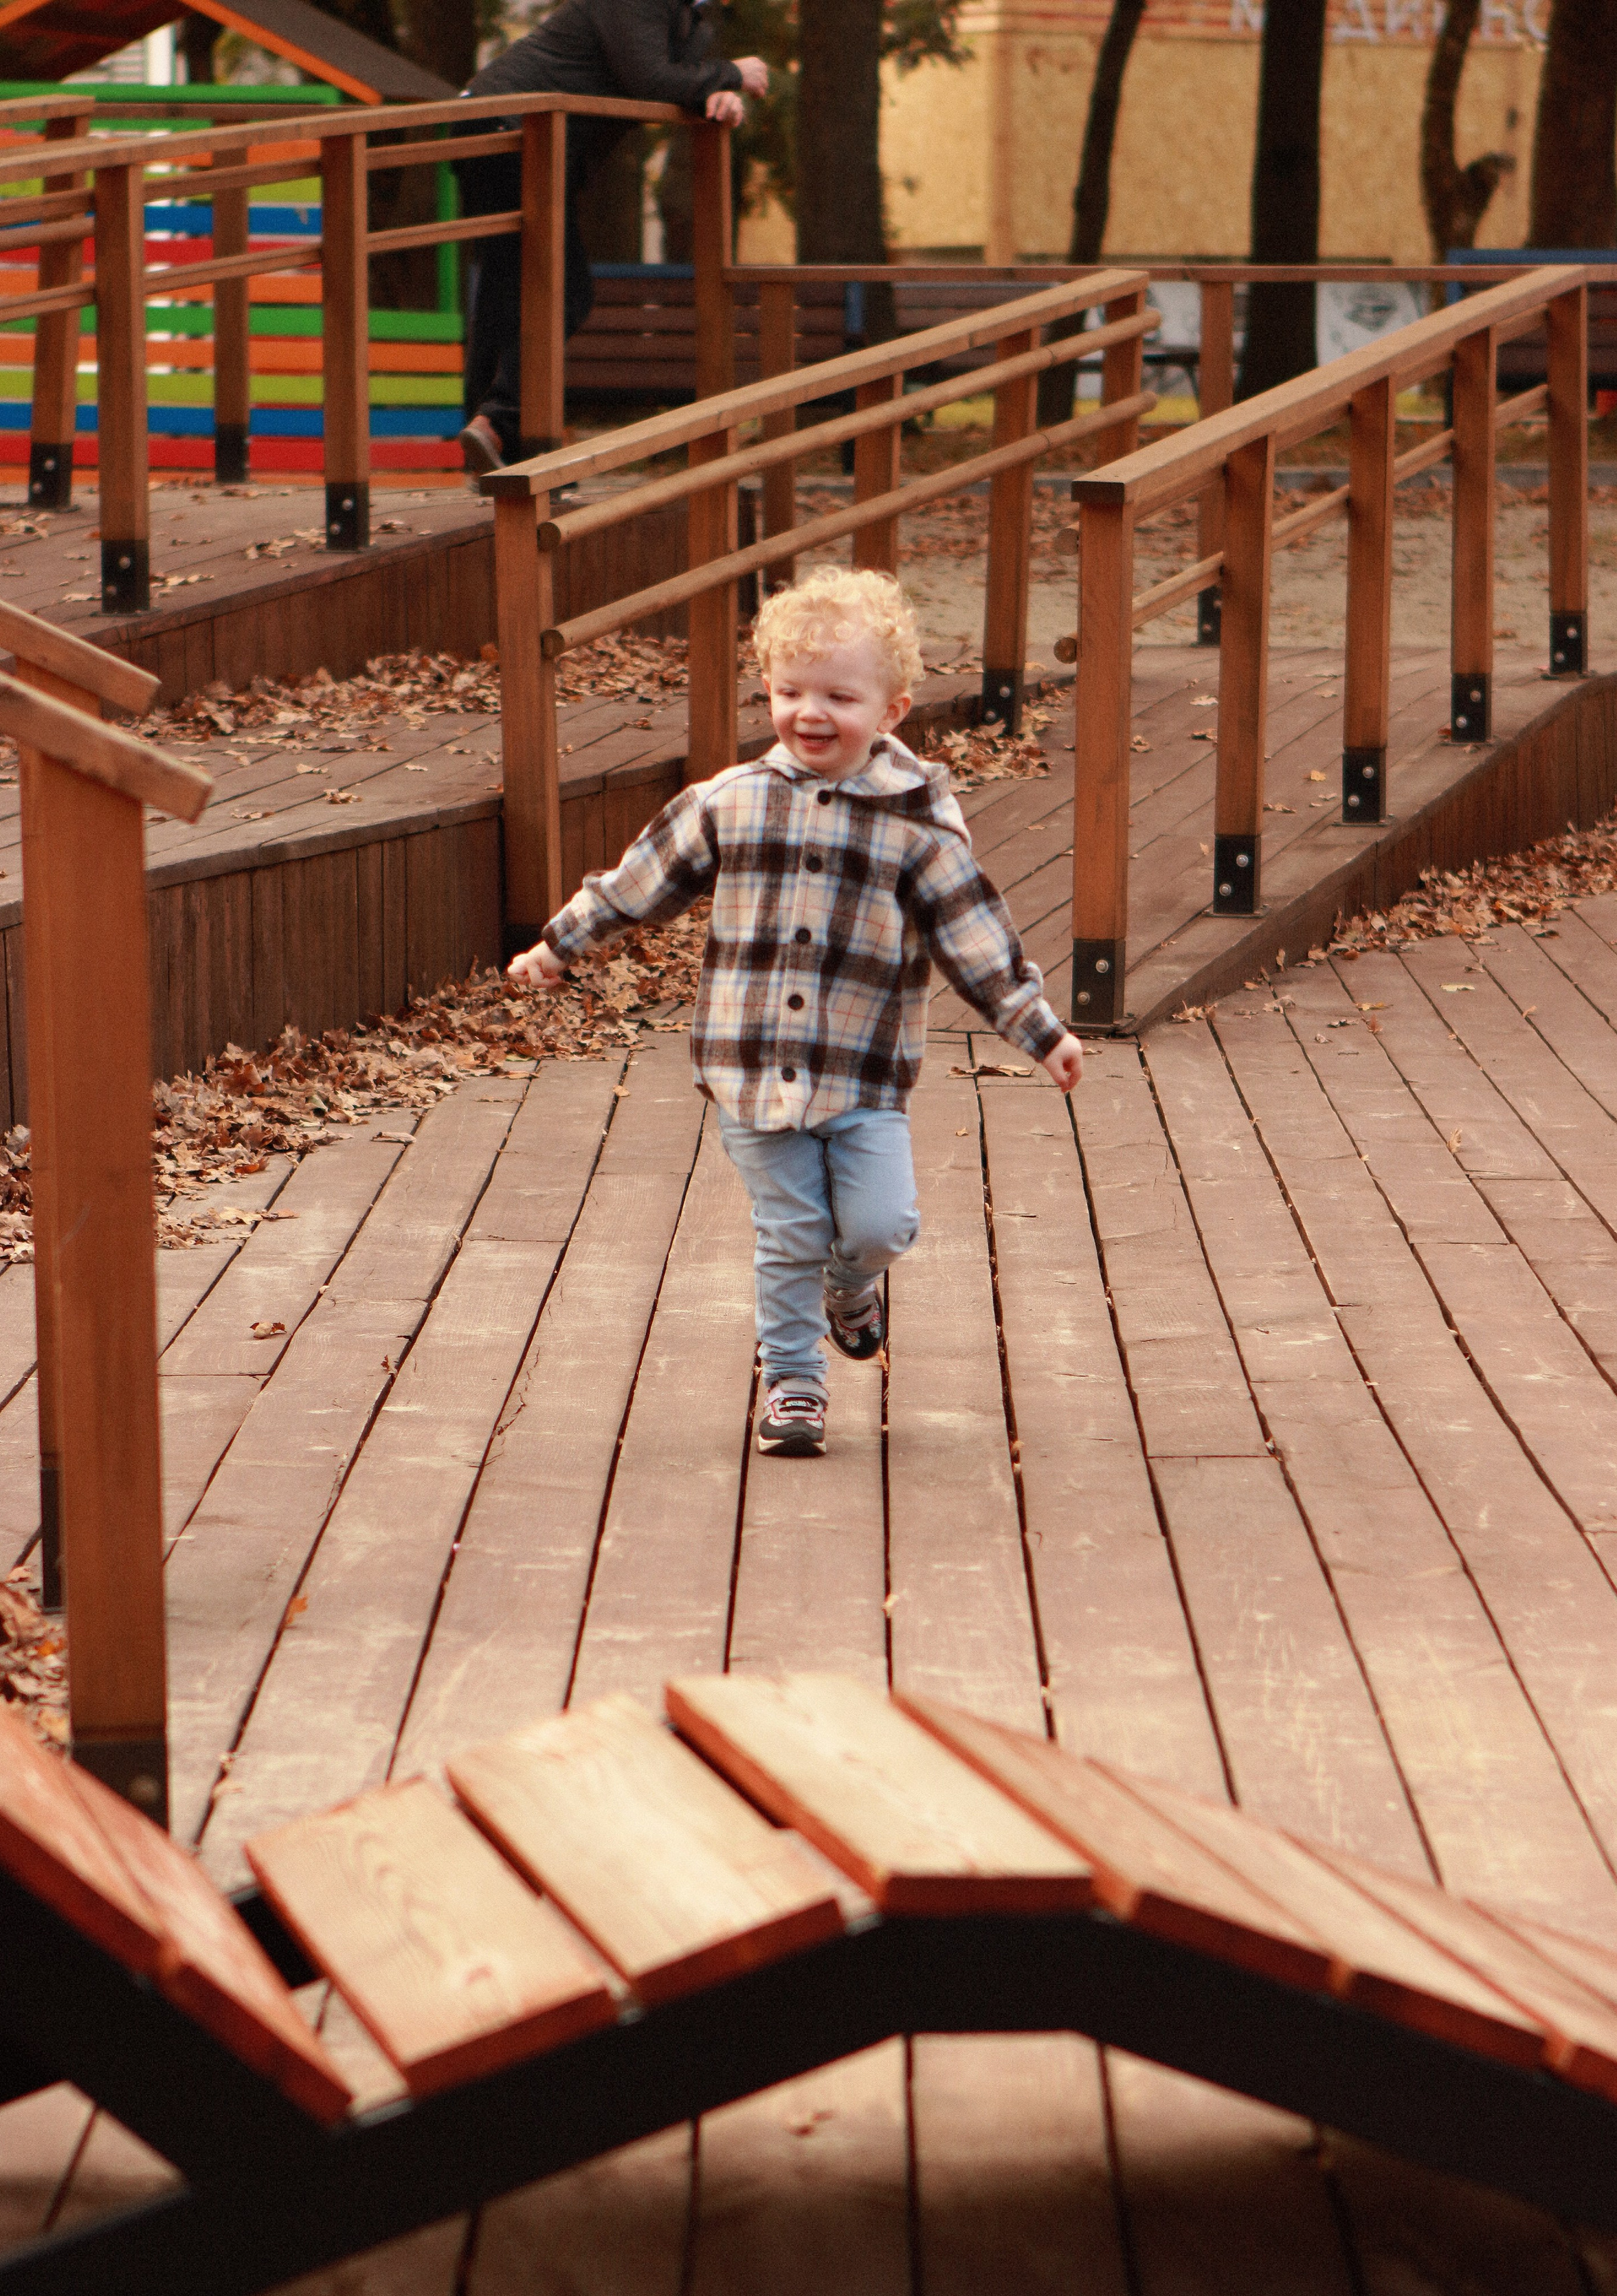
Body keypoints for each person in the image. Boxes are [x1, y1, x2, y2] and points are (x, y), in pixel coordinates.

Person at [511, 568, 1084, 1458]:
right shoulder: (734, 801)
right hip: (751, 1070)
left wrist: (1039, 1030)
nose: (810, 713)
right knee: (791, 1232)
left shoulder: (914, 826)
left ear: (891, 710)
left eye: (839, 698)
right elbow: (639, 881)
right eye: (789, 692)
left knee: (882, 1226)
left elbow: (974, 936)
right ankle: (793, 1383)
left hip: (862, 1074)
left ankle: (848, 1287)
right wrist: (561, 943)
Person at [455, 0, 769, 473]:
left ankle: (494, 447)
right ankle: (502, 428)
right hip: (514, 129)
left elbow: (669, 81)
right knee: (565, 292)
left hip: (511, 127)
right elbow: (651, 79)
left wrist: (717, 94)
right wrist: (732, 74)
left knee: (508, 291)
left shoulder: (688, 18)